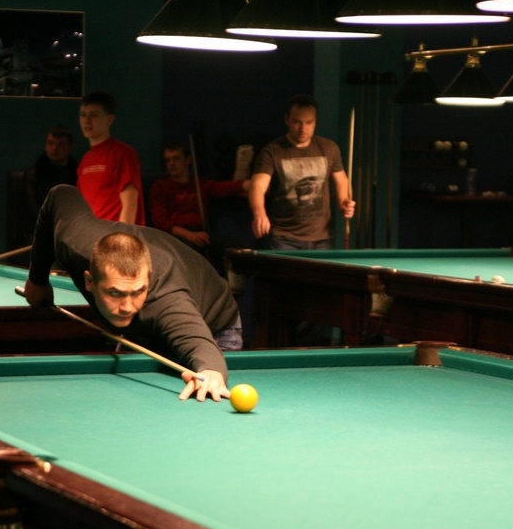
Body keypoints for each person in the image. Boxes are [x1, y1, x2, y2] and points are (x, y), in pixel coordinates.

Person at [24, 185, 240, 402]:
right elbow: (61, 194)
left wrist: (211, 372)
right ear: (89, 281)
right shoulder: (73, 240)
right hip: (150, 322)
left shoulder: (166, 300)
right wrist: (37, 279)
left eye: (138, 291)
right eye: (115, 292)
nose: (127, 307)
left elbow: (199, 343)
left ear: (148, 278)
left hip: (213, 324)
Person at [248, 94, 355, 250]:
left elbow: (342, 181)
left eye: (309, 122)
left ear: (315, 121)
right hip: (284, 238)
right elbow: (257, 186)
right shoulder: (272, 151)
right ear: (287, 120)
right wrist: (259, 213)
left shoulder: (329, 148)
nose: (303, 129)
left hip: (322, 237)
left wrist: (344, 202)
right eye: (297, 122)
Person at [148, 141, 250, 276]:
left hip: (200, 233)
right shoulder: (160, 186)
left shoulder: (199, 184)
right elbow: (160, 221)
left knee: (240, 250)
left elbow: (224, 188)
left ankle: (234, 283)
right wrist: (189, 235)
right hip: (175, 237)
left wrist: (249, 185)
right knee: (200, 262)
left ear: (188, 160)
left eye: (176, 158)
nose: (171, 164)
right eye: (168, 160)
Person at [77, 91, 144, 225]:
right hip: (91, 234)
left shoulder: (122, 153)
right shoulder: (85, 160)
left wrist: (121, 236)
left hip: (114, 235)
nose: (87, 120)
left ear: (109, 119)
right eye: (83, 115)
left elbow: (130, 204)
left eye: (94, 115)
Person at [26, 124, 78, 213]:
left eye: (60, 144)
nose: (54, 148)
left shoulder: (78, 172)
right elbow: (35, 210)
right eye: (50, 143)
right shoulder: (35, 174)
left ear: (70, 147)